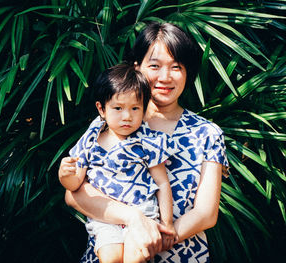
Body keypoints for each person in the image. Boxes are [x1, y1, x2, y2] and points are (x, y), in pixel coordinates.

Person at [59, 22, 229, 262]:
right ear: (137, 67)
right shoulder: (108, 123)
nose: (165, 77)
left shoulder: (207, 133)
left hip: (179, 253)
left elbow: (206, 213)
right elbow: (73, 194)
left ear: (187, 71)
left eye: (176, 67)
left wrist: (150, 239)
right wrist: (133, 219)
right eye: (155, 65)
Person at [59, 64, 178, 263]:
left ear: (144, 108)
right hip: (105, 216)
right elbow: (75, 185)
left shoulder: (147, 140)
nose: (127, 116)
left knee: (135, 257)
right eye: (118, 108)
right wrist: (65, 175)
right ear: (101, 109)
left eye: (135, 108)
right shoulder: (91, 139)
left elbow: (163, 183)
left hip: (143, 212)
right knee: (110, 258)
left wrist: (167, 222)